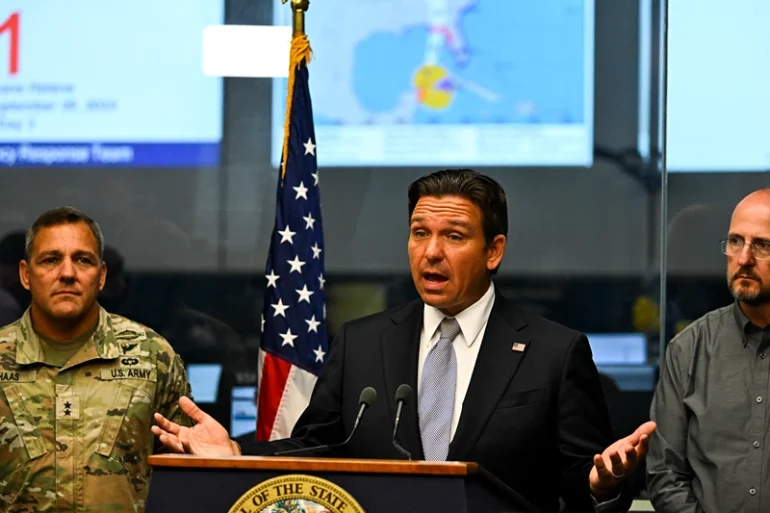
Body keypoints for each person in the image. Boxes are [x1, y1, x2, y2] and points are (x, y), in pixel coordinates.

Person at [153, 169, 656, 513]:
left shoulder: (554, 352)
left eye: (454, 236)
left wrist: (602, 482)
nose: (431, 253)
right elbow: (315, 449)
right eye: (419, 233)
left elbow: (580, 479)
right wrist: (235, 454)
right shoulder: (362, 342)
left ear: (494, 250)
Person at [0, 207, 192, 513]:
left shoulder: (152, 356)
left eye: (83, 260)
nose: (67, 273)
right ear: (25, 274)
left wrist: (230, 453)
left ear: (101, 276)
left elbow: (187, 473)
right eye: (50, 260)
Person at [647, 188, 770, 513]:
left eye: (762, 245)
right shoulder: (689, 350)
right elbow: (665, 476)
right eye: (735, 241)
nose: (743, 258)